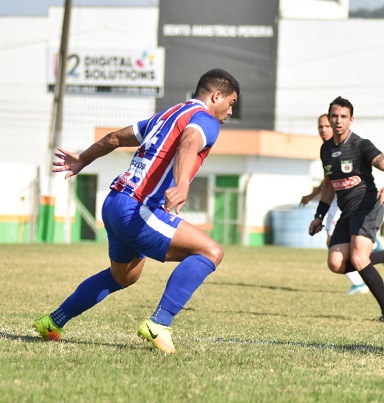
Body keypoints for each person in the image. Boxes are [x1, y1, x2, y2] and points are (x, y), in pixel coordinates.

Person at [33, 68, 240, 354]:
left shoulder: (165, 116)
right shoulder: (205, 120)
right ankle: (159, 323)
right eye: (231, 103)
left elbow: (114, 138)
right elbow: (189, 143)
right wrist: (182, 185)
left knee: (124, 276)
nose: (230, 112)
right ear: (216, 96)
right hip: (138, 208)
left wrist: (83, 159)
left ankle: (52, 322)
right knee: (210, 252)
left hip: (115, 202)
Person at [308, 96, 384, 323]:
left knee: (358, 257)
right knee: (335, 263)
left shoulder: (361, 145)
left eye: (343, 116)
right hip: (347, 212)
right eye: (334, 116)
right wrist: (319, 216)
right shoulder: (326, 150)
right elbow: (328, 185)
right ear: (329, 118)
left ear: (351, 120)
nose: (338, 121)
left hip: (367, 206)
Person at [300, 114, 369, 295]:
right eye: (320, 127)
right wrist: (311, 196)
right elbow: (328, 181)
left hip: (343, 202)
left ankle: (360, 280)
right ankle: (361, 275)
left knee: (333, 242)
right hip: (333, 202)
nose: (323, 130)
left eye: (326, 126)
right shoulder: (326, 150)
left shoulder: (344, 147)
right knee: (332, 242)